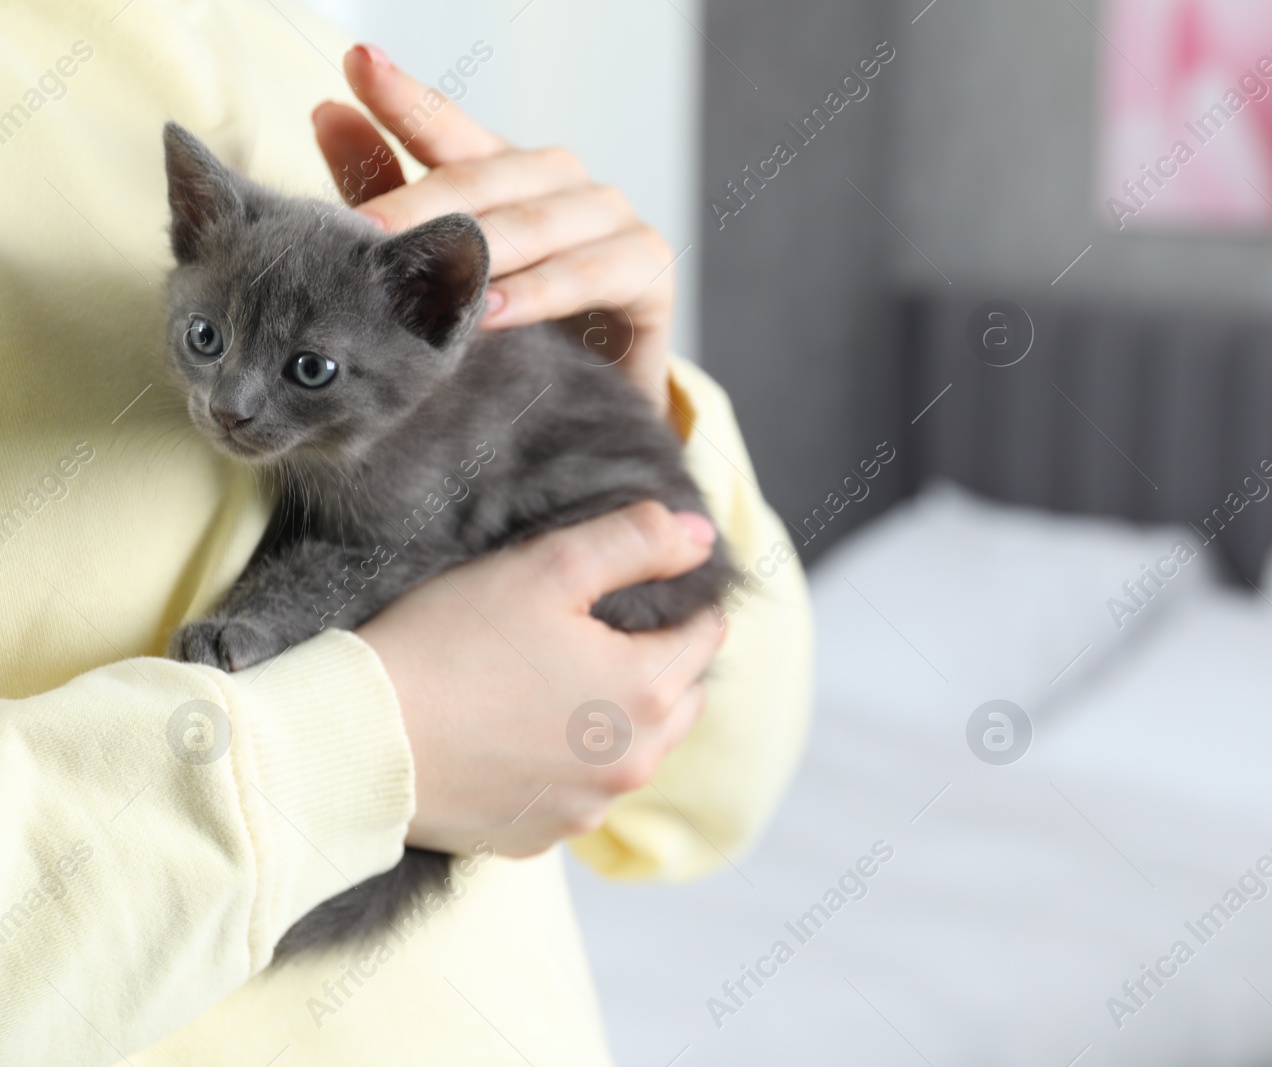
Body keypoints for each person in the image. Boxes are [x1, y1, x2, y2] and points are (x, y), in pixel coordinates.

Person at [0, 1, 811, 1062]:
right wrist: (363, 743)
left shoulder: (261, 30)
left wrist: (639, 400)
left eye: (303, 372)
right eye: (205, 341)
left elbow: (703, 784)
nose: (229, 405)